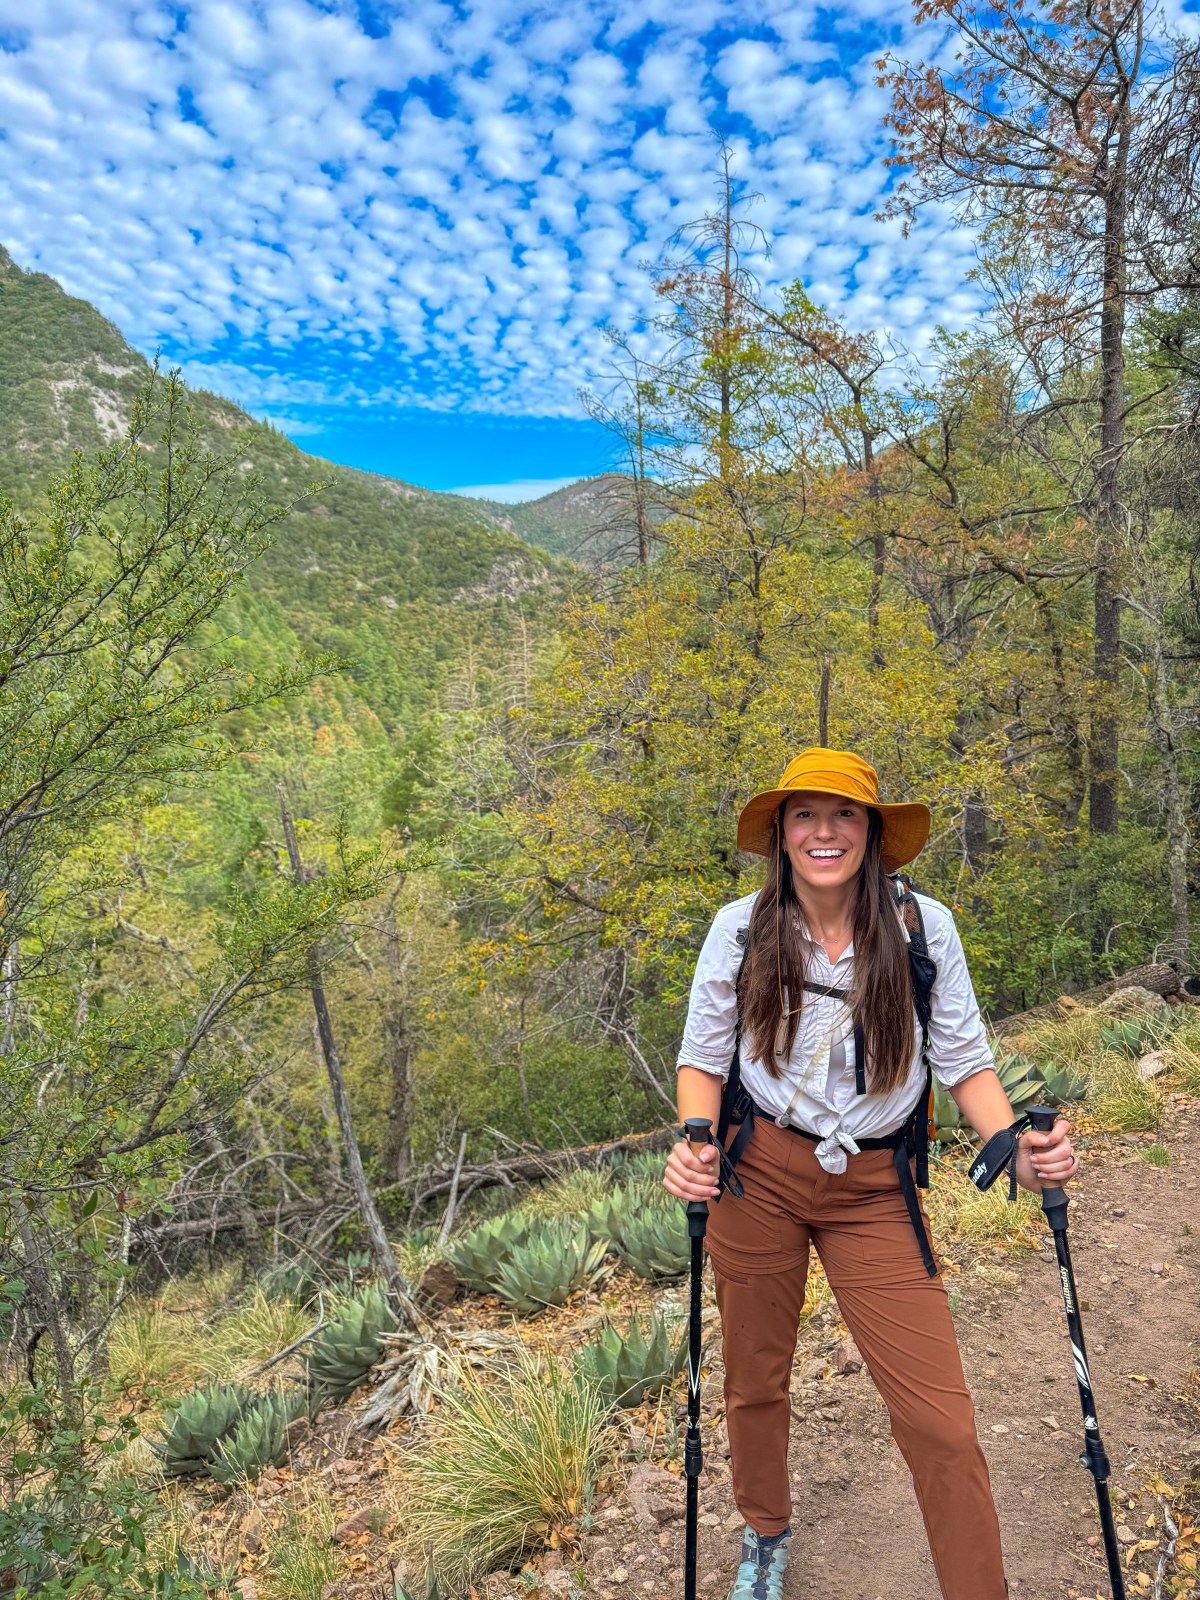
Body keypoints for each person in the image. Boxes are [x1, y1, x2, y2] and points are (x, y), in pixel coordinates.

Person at [663, 748, 1078, 1600]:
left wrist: (1017, 1151)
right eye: (805, 814)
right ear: (780, 833)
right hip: (758, 1174)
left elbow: (965, 1065)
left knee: (942, 1423)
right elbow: (702, 1059)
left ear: (874, 833)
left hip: (876, 1189)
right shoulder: (740, 930)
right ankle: (765, 1528)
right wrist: (694, 1139)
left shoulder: (926, 930)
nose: (825, 832)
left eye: (845, 814)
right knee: (754, 1378)